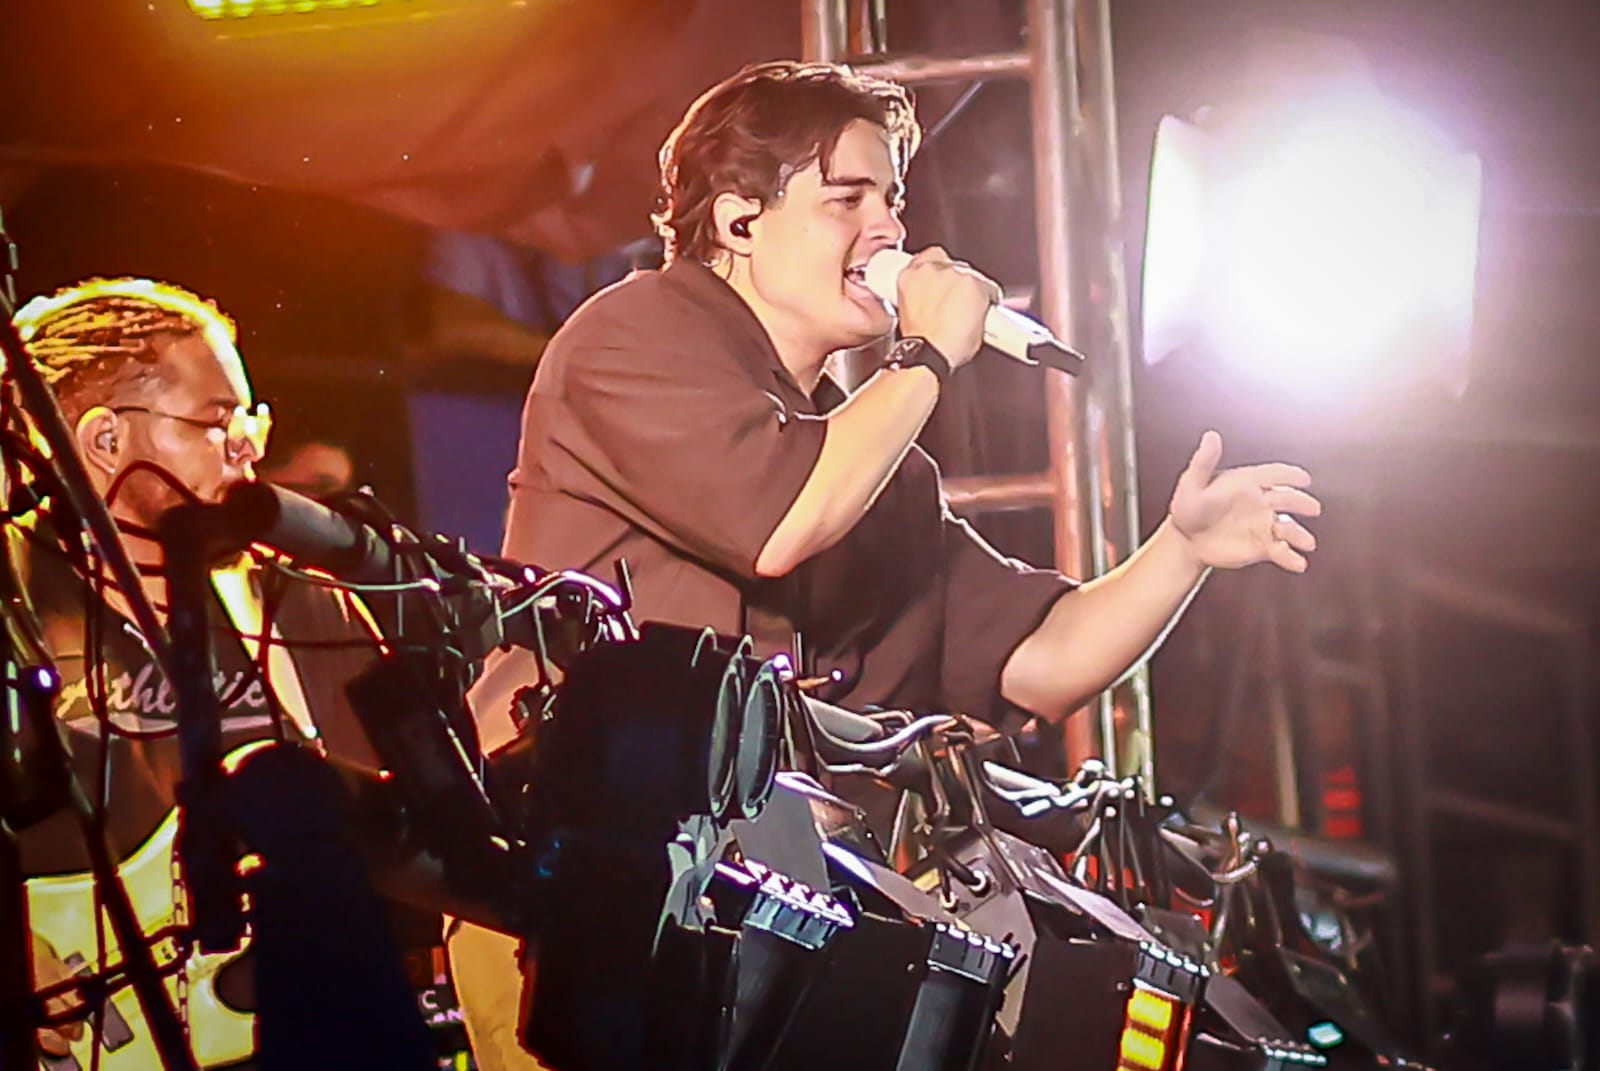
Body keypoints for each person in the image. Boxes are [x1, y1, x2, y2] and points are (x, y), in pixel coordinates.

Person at [454, 60, 1320, 1069]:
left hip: (772, 925)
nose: (887, 230)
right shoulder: (631, 335)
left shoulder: (873, 466)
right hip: (589, 899)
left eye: (893, 200)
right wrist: (928, 356)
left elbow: (1041, 660)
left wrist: (1181, 550)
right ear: (739, 220)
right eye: (846, 199)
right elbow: (779, 520)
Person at [5, 277, 383, 1066]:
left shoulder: (297, 601)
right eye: (217, 421)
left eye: (252, 418)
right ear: (104, 440)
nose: (249, 446)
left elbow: (393, 833)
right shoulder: (13, 600)